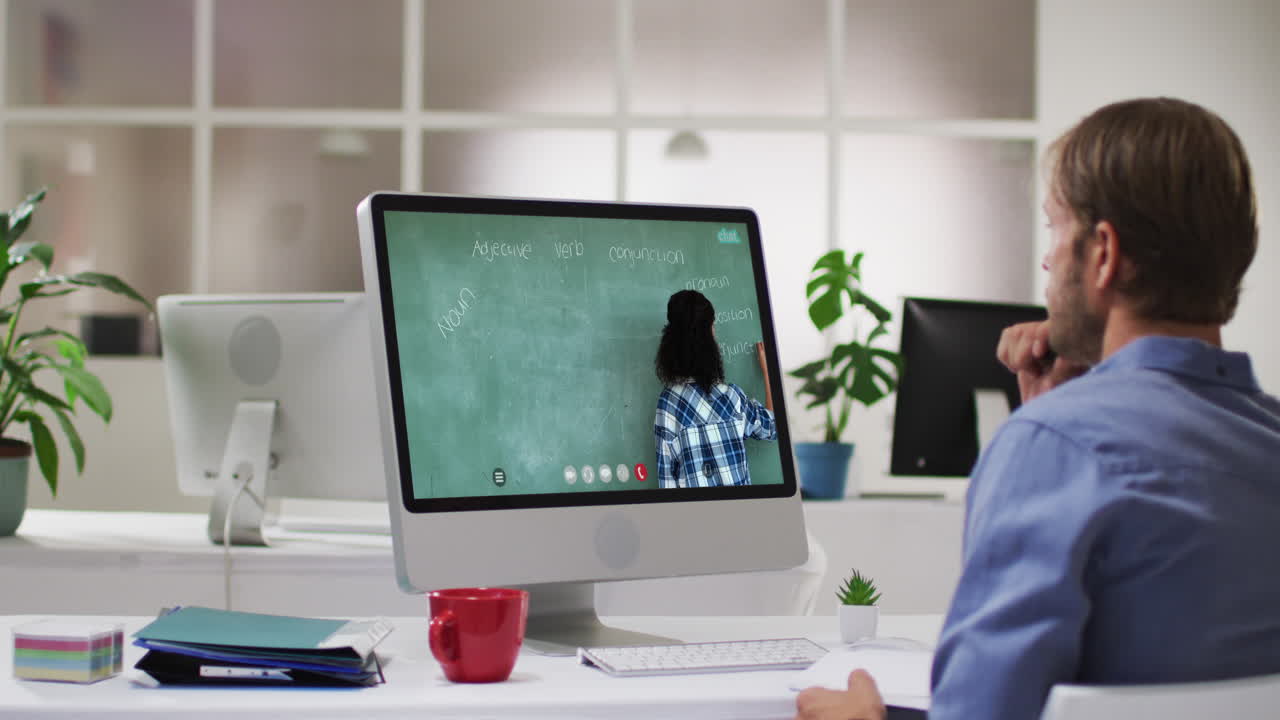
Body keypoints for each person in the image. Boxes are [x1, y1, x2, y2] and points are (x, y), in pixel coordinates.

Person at [796, 96, 1280, 720]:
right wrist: (1053, 418)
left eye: (1056, 229)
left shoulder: (1053, 446)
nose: (1048, 260)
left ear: (1103, 253)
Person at [653, 289, 777, 488]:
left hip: (695, 518)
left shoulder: (668, 404)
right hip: (744, 515)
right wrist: (768, 374)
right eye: (713, 329)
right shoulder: (732, 398)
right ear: (707, 340)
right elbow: (772, 427)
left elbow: (666, 484)